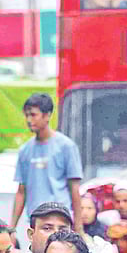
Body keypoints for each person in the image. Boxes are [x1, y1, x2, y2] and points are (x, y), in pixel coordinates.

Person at [10, 93, 84, 232]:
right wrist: (12, 228)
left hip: (60, 220)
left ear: (47, 115)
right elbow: (21, 191)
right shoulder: (25, 150)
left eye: (33, 115)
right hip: (36, 221)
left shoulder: (66, 146)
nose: (29, 120)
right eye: (26, 115)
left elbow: (74, 188)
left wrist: (78, 227)